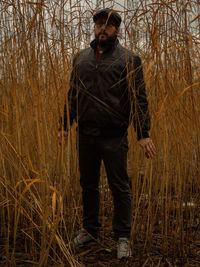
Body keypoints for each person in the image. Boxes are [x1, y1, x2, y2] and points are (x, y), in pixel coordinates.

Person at [62, 8, 156, 259]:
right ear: (94, 27)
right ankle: (90, 230)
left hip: (114, 136)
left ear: (117, 29)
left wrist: (142, 133)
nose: (103, 28)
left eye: (109, 25)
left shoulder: (129, 59)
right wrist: (64, 124)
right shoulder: (81, 58)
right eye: (99, 23)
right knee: (88, 184)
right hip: (86, 135)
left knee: (119, 187)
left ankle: (122, 237)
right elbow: (73, 94)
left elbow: (139, 99)